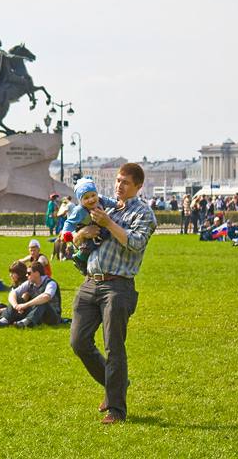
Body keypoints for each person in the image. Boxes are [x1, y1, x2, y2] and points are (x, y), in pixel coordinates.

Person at [69, 162, 157, 425]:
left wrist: (108, 223)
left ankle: (117, 409)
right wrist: (81, 234)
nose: (119, 186)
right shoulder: (102, 205)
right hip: (90, 282)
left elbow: (135, 243)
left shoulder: (144, 214)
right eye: (118, 181)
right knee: (79, 342)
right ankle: (115, 382)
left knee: (114, 346)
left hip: (118, 286)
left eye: (126, 182)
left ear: (138, 186)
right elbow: (77, 236)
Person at [0, 260, 61, 328]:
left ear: (37, 273)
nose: (26, 275)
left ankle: (26, 322)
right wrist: (16, 305)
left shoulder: (51, 283)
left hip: (52, 317)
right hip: (37, 314)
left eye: (29, 273)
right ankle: (4, 320)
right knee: (18, 299)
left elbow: (46, 297)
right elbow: (13, 293)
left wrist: (25, 305)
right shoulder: (29, 283)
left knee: (42, 302)